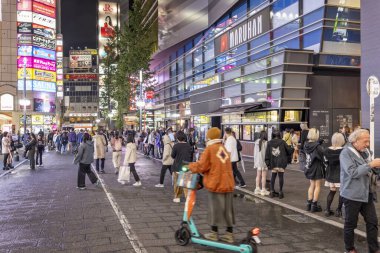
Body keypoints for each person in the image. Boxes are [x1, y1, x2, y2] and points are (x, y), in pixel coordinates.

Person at [189, 127, 235, 243]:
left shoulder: (210, 149)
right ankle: (229, 234)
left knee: (215, 209)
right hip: (228, 184)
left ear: (209, 137)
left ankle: (214, 233)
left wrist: (190, 167)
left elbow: (202, 166)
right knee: (227, 210)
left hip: (216, 183)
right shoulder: (223, 148)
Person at [339, 129, 380, 253]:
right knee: (350, 224)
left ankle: (374, 249)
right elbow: (352, 172)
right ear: (355, 141)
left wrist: (375, 168)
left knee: (373, 222)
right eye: (365, 141)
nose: (367, 144)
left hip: (366, 193)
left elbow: (369, 171)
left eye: (368, 141)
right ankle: (349, 249)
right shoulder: (346, 153)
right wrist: (370, 165)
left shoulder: (365, 151)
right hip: (351, 194)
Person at [265, 130, 292, 199]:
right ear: (280, 135)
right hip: (281, 163)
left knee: (273, 177)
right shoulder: (282, 142)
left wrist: (268, 164)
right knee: (281, 177)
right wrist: (292, 148)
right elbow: (289, 151)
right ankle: (280, 192)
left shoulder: (269, 143)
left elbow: (267, 154)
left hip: (273, 163)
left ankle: (271, 191)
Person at [323, 132, 345, 217]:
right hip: (340, 174)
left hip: (330, 173)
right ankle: (338, 211)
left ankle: (327, 210)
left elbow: (325, 162)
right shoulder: (343, 151)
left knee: (332, 191)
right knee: (341, 193)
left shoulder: (326, 150)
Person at [304, 128, 325, 212]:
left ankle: (309, 203)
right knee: (317, 186)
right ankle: (314, 204)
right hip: (317, 167)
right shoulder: (318, 146)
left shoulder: (306, 144)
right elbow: (323, 155)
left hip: (309, 166)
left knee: (311, 185)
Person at [171, 131, 192, 203]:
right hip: (186, 166)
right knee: (186, 183)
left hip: (177, 166)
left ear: (177, 138)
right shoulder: (188, 145)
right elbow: (191, 156)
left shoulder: (176, 146)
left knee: (177, 183)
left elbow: (172, 156)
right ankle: (188, 198)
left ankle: (177, 197)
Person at [254, 131, 269, 196]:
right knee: (264, 176)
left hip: (258, 161)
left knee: (258, 176)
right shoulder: (266, 143)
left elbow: (254, 153)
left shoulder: (256, 142)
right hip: (264, 162)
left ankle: (257, 189)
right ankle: (263, 190)